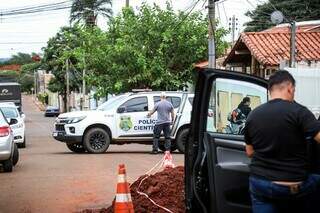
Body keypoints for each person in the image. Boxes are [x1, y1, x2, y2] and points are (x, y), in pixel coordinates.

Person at [244, 70, 320, 213]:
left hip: (261, 184)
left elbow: (249, 152)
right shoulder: (300, 112)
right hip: (292, 187)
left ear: (270, 91)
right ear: (290, 88)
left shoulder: (253, 115)